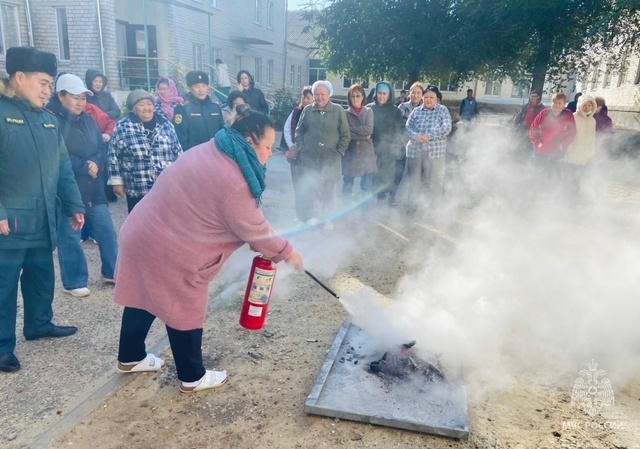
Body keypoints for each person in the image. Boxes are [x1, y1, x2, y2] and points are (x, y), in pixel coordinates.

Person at [113, 104, 304, 393]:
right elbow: (256, 231)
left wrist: (275, 240)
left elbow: (251, 222)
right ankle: (192, 376)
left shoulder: (215, 147)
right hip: (169, 250)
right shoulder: (236, 182)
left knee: (143, 295)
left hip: (142, 231)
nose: (269, 153)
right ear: (250, 141)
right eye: (267, 146)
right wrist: (289, 253)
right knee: (183, 306)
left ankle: (130, 357)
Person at [0, 47, 85, 373]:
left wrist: (75, 204)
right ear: (19, 78)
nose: (48, 90)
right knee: (4, 285)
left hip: (42, 216)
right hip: (10, 221)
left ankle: (38, 323)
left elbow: (62, 168)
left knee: (41, 275)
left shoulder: (48, 122)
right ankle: (1, 347)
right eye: (43, 82)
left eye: (50, 84)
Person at [47, 74, 119, 297]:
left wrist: (96, 162)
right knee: (70, 235)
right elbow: (54, 156)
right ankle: (74, 281)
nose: (80, 103)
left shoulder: (88, 119)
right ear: (60, 96)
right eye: (75, 98)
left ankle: (112, 271)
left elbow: (101, 147)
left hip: (94, 186)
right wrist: (83, 165)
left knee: (106, 230)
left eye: (83, 98)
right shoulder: (51, 120)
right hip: (69, 188)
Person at [108, 89, 183, 212]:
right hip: (137, 185)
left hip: (165, 185)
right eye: (142, 105)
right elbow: (113, 155)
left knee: (166, 221)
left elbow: (178, 152)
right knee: (139, 223)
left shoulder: (166, 124)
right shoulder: (123, 126)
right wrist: (116, 181)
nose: (146, 108)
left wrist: (181, 177)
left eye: (149, 104)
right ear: (133, 108)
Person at [295, 80, 350, 229]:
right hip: (310, 158)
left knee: (329, 189)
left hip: (331, 158)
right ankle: (315, 216)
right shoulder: (307, 111)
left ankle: (328, 219)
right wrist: (302, 148)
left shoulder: (338, 110)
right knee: (313, 188)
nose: (319, 97)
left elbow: (345, 134)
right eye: (316, 94)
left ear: (329, 94)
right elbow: (299, 131)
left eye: (323, 94)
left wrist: (339, 152)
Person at [404, 85, 453, 215]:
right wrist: (416, 136)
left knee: (435, 182)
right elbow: (408, 127)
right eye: (426, 97)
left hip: (435, 153)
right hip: (415, 152)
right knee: (414, 181)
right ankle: (412, 207)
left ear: (437, 98)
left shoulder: (442, 110)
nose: (428, 100)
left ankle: (434, 210)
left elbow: (447, 128)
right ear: (422, 98)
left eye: (432, 97)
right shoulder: (416, 111)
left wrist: (429, 136)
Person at [529, 92, 577, 202]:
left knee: (554, 176)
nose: (556, 105)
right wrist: (537, 142)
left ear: (564, 104)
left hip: (557, 153)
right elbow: (533, 129)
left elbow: (572, 132)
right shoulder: (544, 113)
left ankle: (551, 199)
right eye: (554, 103)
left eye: (559, 103)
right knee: (538, 175)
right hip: (541, 151)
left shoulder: (568, 115)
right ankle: (535, 198)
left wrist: (563, 145)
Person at [368, 81, 405, 206]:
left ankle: (388, 200)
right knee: (373, 177)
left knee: (388, 177)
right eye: (379, 93)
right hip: (373, 148)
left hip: (389, 149)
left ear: (389, 95)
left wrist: (396, 146)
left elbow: (399, 130)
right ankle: (373, 202)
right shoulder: (369, 108)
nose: (381, 96)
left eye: (384, 93)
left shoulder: (396, 111)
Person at [283, 86, 314, 222]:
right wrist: (292, 146)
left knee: (311, 187)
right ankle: (300, 216)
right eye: (304, 97)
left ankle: (311, 215)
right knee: (299, 186)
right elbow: (287, 130)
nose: (306, 100)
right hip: (296, 157)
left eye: (308, 97)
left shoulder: (317, 112)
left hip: (311, 157)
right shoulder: (295, 112)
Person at [172, 71, 224, 151]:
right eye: (197, 86)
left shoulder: (215, 107)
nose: (201, 90)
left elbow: (222, 132)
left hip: (215, 154)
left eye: (203, 86)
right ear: (189, 88)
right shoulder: (182, 108)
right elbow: (181, 137)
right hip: (194, 155)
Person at [342, 84, 376, 199]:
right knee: (347, 184)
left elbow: (369, 130)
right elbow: (344, 133)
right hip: (350, 152)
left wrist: (351, 129)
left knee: (366, 185)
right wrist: (362, 134)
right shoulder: (345, 113)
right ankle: (344, 210)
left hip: (366, 152)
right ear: (349, 98)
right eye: (352, 96)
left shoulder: (368, 111)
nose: (355, 99)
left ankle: (366, 213)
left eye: (358, 96)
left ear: (363, 97)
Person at [563, 94, 597, 204]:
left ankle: (574, 202)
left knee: (579, 180)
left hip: (585, 156)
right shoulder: (573, 117)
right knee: (570, 180)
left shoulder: (592, 120)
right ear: (580, 105)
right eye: (584, 105)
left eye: (590, 105)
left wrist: (592, 152)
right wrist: (569, 149)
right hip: (572, 155)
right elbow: (566, 134)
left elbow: (592, 137)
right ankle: (566, 202)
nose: (587, 108)